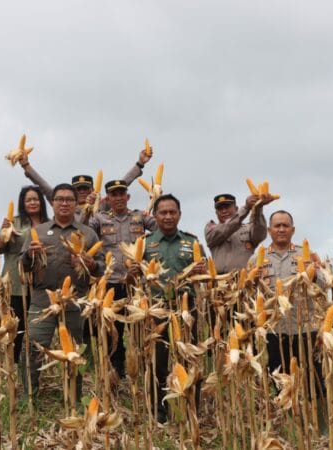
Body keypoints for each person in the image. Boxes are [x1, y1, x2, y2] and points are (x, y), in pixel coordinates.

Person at [21, 183, 105, 398]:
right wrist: (30, 256)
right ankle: (28, 397)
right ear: (52, 203)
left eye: (69, 199)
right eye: (60, 199)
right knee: (33, 349)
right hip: (42, 300)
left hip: (75, 301)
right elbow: (24, 267)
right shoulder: (38, 232)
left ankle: (74, 397)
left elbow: (102, 268)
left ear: (77, 203)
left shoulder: (88, 234)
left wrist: (91, 263)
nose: (64, 203)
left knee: (75, 351)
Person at [128, 194, 206, 422]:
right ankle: (158, 413)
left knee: (189, 359)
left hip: (186, 308)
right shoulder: (145, 243)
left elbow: (206, 278)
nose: (168, 216)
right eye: (163, 212)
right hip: (155, 309)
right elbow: (132, 279)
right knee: (157, 361)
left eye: (173, 212)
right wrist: (130, 274)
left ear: (179, 215)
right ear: (155, 216)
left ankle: (191, 409)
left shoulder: (192, 243)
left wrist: (197, 273)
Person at [84, 179, 156, 378]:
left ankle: (141, 372)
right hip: (111, 284)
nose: (118, 198)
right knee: (112, 332)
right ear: (108, 198)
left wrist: (155, 202)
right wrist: (88, 209)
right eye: (114, 195)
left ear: (128, 196)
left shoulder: (140, 217)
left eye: (121, 194)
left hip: (137, 285)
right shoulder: (99, 219)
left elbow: (162, 229)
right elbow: (82, 232)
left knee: (138, 330)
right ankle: (116, 374)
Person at [254, 211, 327, 393]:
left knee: (315, 382)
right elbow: (250, 295)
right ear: (270, 230)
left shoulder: (306, 255)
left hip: (305, 329)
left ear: (293, 230)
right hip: (274, 330)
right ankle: (288, 419)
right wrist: (251, 281)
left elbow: (324, 286)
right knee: (280, 382)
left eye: (285, 226)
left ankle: (317, 420)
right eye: (277, 226)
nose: (281, 229)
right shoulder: (258, 259)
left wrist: (315, 272)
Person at [0, 185, 49, 367]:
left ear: (41, 202)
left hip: (40, 282)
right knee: (15, 327)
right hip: (14, 281)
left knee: (37, 328)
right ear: (23, 203)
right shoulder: (13, 222)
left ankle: (32, 368)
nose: (32, 202)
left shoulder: (49, 223)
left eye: (36, 199)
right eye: (28, 199)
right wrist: (2, 234)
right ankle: (11, 366)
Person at [17, 148, 153, 211]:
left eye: (85, 188)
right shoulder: (64, 204)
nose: (82, 191)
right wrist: (26, 166)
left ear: (92, 190)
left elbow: (120, 187)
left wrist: (139, 164)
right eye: (78, 189)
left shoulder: (101, 205)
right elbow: (43, 186)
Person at [205, 193, 269, 274]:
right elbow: (226, 228)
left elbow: (260, 235)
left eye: (227, 207)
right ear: (216, 213)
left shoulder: (248, 228)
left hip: (245, 280)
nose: (224, 211)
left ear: (236, 208)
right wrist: (246, 208)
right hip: (219, 281)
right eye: (220, 208)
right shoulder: (210, 229)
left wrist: (258, 207)